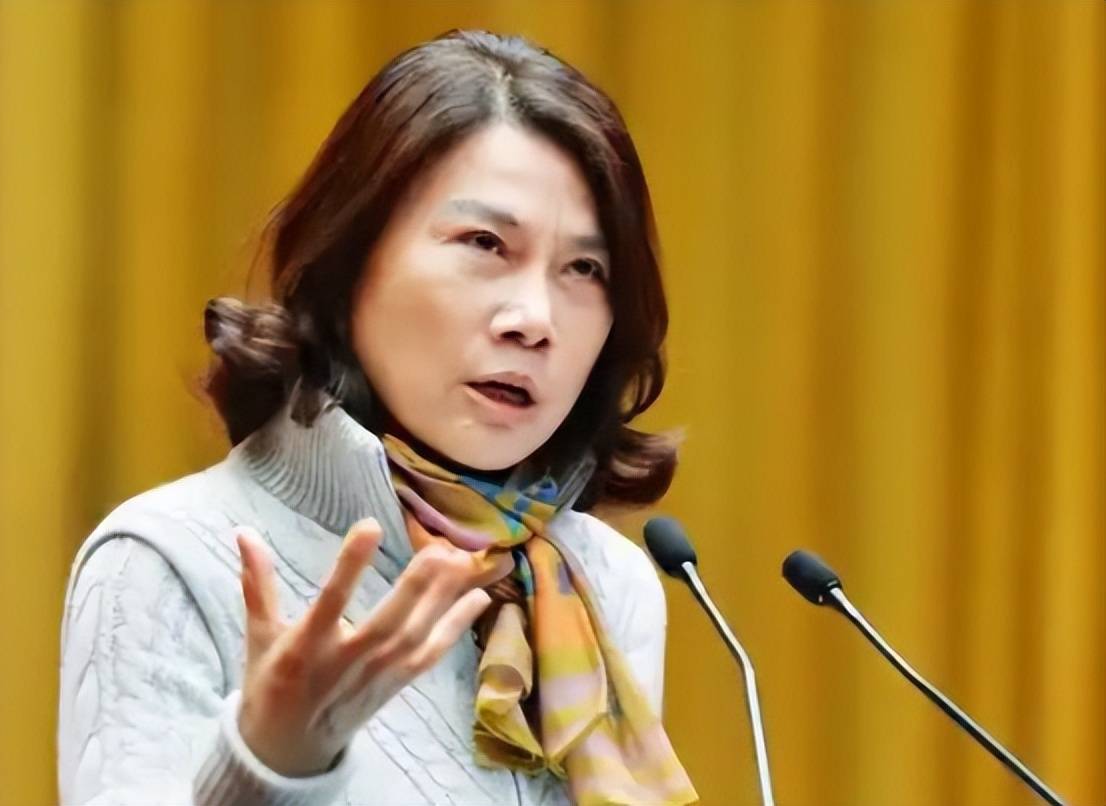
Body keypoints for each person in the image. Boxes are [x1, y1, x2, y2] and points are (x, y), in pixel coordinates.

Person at [57, 29, 698, 806]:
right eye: (485, 243)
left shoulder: (604, 582)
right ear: (349, 262)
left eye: (585, 269)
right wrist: (267, 764)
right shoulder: (168, 560)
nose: (535, 319)